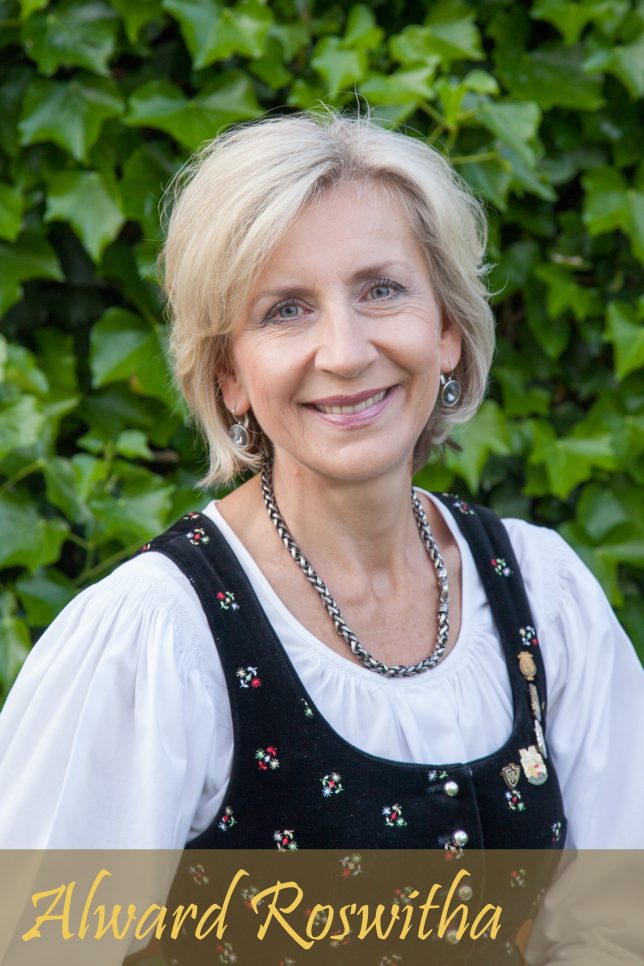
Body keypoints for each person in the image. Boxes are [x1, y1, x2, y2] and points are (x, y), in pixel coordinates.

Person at [0, 111, 642, 961]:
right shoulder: (160, 638)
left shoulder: (543, 595)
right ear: (229, 375)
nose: (344, 352)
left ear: (447, 331)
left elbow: (618, 923)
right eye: (286, 310)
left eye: (381, 290)